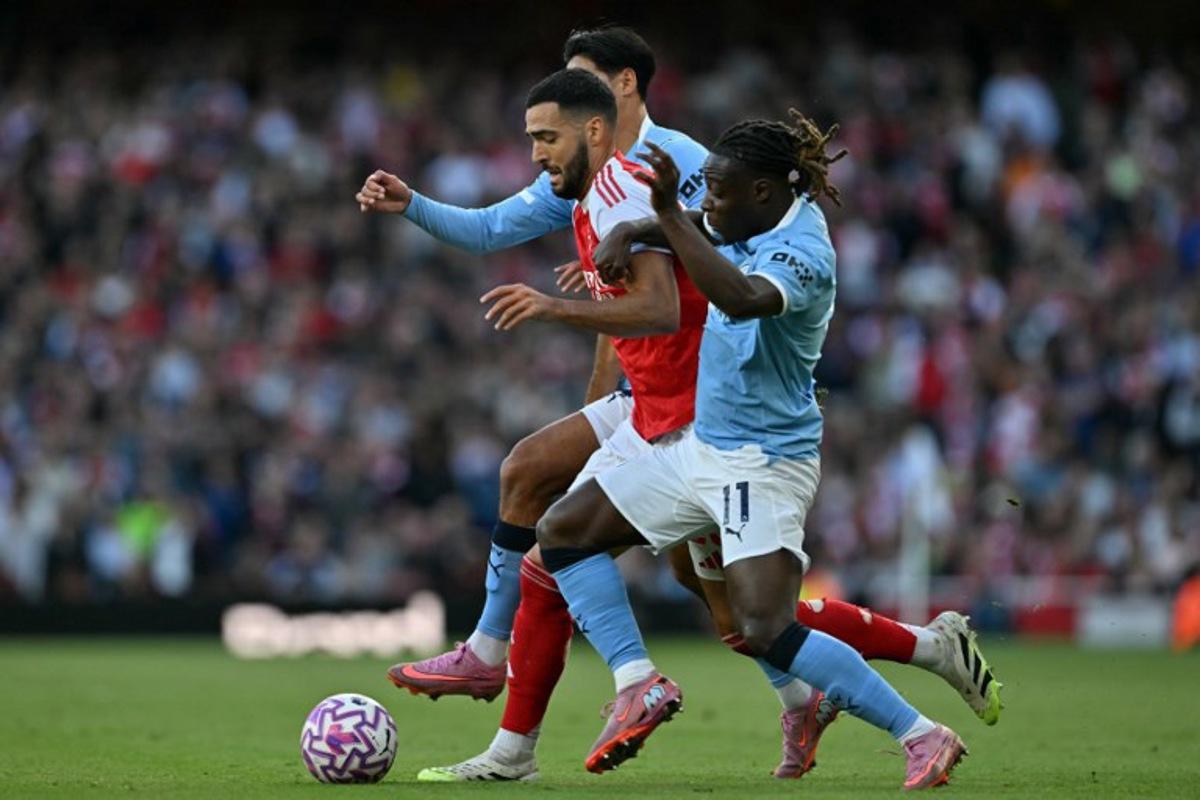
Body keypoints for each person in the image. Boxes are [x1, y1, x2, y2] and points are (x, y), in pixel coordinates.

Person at [355, 28, 1000, 783]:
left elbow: (687, 291)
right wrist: (417, 206)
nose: (546, 136)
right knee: (552, 515)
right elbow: (504, 230)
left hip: (722, 419)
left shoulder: (687, 171)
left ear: (619, 91)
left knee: (749, 617)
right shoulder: (592, 179)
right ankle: (525, 701)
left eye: (578, 92)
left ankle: (882, 681)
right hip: (661, 405)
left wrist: (634, 235)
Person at [534, 112, 967, 789]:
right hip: (701, 446)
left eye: (719, 192)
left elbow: (737, 295)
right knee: (562, 532)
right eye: (703, 191)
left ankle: (923, 734)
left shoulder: (804, 253)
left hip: (760, 464)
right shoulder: (746, 215)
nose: (707, 204)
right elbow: (700, 226)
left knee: (766, 626)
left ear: (764, 193)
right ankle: (637, 681)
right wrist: (631, 228)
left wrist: (663, 217)